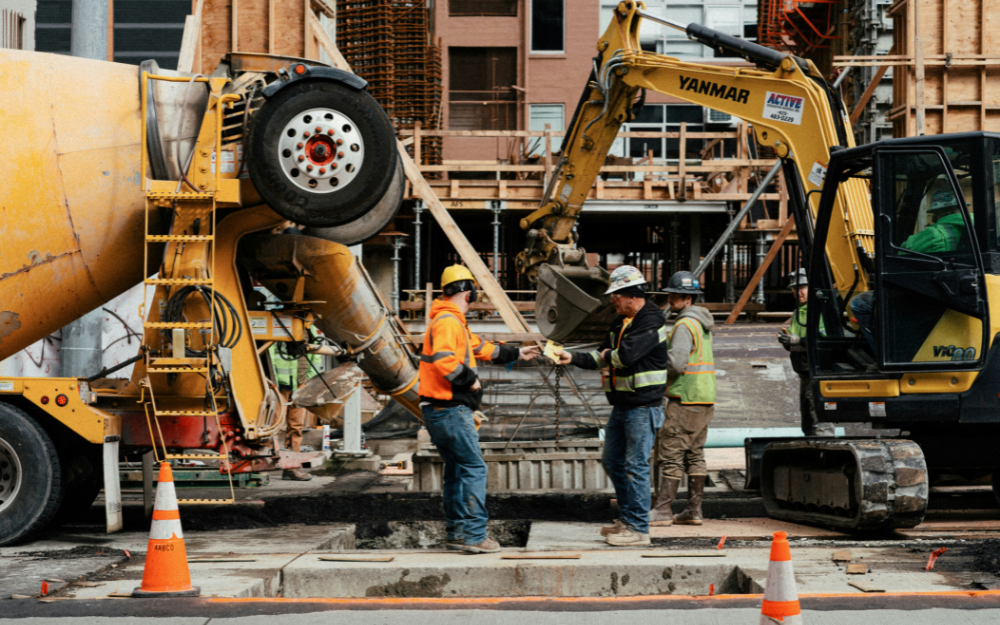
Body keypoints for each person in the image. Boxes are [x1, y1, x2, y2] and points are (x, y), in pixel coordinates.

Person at [420, 265, 540, 554]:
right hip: (451, 410)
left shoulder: (449, 320)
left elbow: (481, 348)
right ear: (468, 291)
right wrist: (470, 380)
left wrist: (516, 352)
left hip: (437, 410)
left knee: (456, 471)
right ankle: (475, 536)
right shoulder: (449, 321)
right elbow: (445, 360)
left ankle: (456, 532)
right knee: (474, 468)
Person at [558, 265, 667, 546]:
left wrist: (607, 355)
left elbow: (627, 356)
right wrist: (572, 359)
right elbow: (602, 356)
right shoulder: (620, 323)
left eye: (615, 295)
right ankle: (629, 518)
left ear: (631, 295)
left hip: (643, 406)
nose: (612, 300)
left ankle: (639, 529)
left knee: (636, 465)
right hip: (623, 405)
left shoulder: (651, 321)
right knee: (612, 461)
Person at [649, 271, 717, 527]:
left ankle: (663, 510)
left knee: (672, 452)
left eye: (674, 296)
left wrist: (653, 362)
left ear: (687, 298)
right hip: (705, 396)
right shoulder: (702, 323)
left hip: (685, 396)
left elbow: (676, 364)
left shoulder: (683, 325)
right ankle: (693, 511)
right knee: (695, 453)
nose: (670, 300)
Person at [778, 269, 835, 437]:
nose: (798, 292)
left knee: (818, 416)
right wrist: (788, 341)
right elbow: (797, 339)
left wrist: (798, 342)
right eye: (795, 288)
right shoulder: (798, 312)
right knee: (808, 419)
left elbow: (823, 340)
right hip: (804, 371)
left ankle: (825, 450)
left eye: (803, 287)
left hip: (816, 370)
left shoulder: (818, 310)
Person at [269, 335, 322, 480]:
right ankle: (257, 464)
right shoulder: (278, 327)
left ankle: (291, 468)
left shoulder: (309, 329)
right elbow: (270, 355)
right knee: (273, 426)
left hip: (300, 386)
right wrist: (273, 381)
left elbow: (316, 355)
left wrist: (307, 381)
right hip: (278, 386)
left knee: (296, 427)